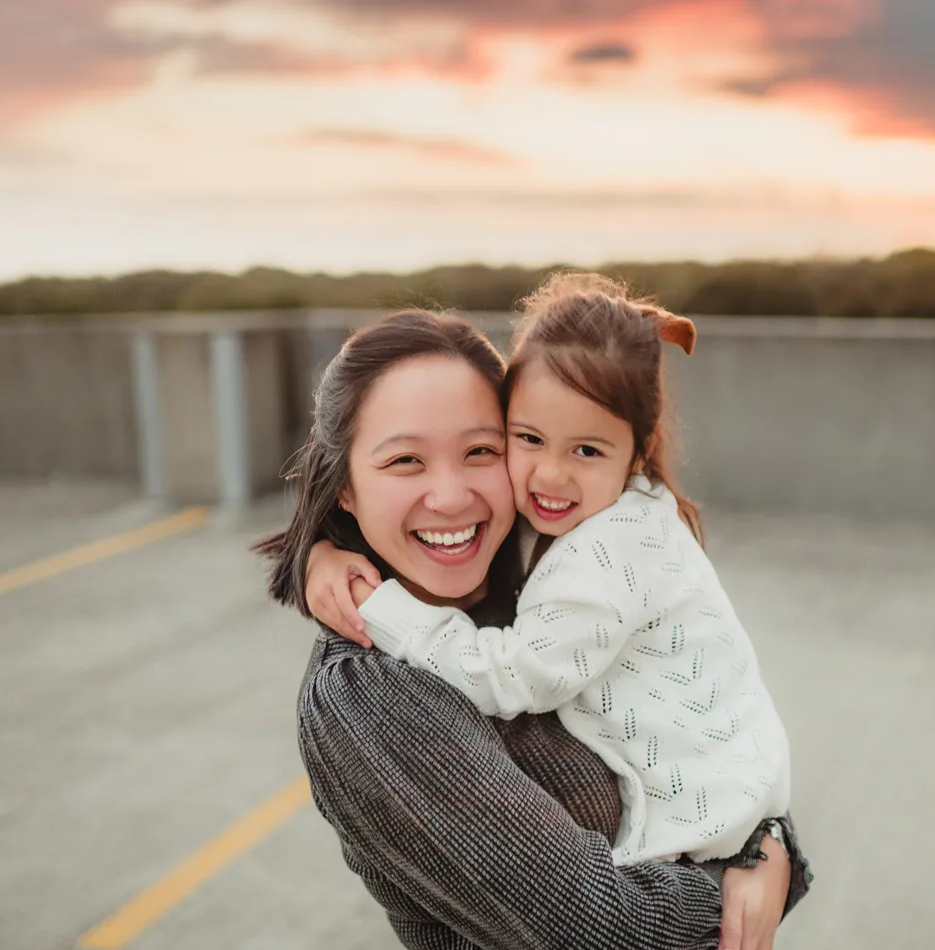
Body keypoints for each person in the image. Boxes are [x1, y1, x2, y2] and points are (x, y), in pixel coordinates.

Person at [259, 308, 810, 950]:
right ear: (344, 483)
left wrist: (771, 841)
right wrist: (746, 879)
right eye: (405, 460)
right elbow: (615, 947)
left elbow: (698, 727)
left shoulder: (537, 572)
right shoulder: (371, 693)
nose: (453, 494)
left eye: (482, 451)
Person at [339, 273, 792, 882]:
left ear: (636, 450)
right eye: (527, 439)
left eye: (586, 451)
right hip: (742, 817)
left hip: (704, 855)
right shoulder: (612, 510)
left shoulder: (607, 553)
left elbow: (504, 676)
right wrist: (323, 553)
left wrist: (379, 605)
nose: (549, 477)